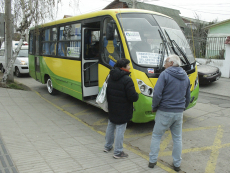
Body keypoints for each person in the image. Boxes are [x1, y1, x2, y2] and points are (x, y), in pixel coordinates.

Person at [148, 55, 190, 172]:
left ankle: (152, 161)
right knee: (177, 138)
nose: (164, 64)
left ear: (171, 63)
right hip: (178, 112)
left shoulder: (165, 74)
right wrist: (183, 107)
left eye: (166, 62)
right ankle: (177, 164)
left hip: (164, 111)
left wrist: (154, 106)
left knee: (157, 136)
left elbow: (157, 94)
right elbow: (187, 95)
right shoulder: (185, 76)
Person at [104, 58, 139, 159]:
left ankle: (107, 146)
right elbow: (133, 96)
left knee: (111, 125)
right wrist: (137, 96)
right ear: (123, 67)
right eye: (128, 65)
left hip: (112, 106)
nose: (129, 67)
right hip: (123, 108)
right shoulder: (127, 79)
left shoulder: (111, 75)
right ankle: (118, 152)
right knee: (120, 129)